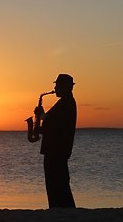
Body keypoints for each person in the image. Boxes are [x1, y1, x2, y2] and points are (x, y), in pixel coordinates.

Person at [34, 73, 77, 208]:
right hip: (57, 150)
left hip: (56, 150)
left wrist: (41, 115)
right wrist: (41, 120)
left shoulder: (66, 103)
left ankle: (59, 209)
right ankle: (61, 209)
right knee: (58, 183)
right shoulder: (65, 102)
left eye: (58, 86)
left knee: (57, 183)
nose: (55, 89)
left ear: (66, 87)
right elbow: (52, 124)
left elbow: (54, 125)